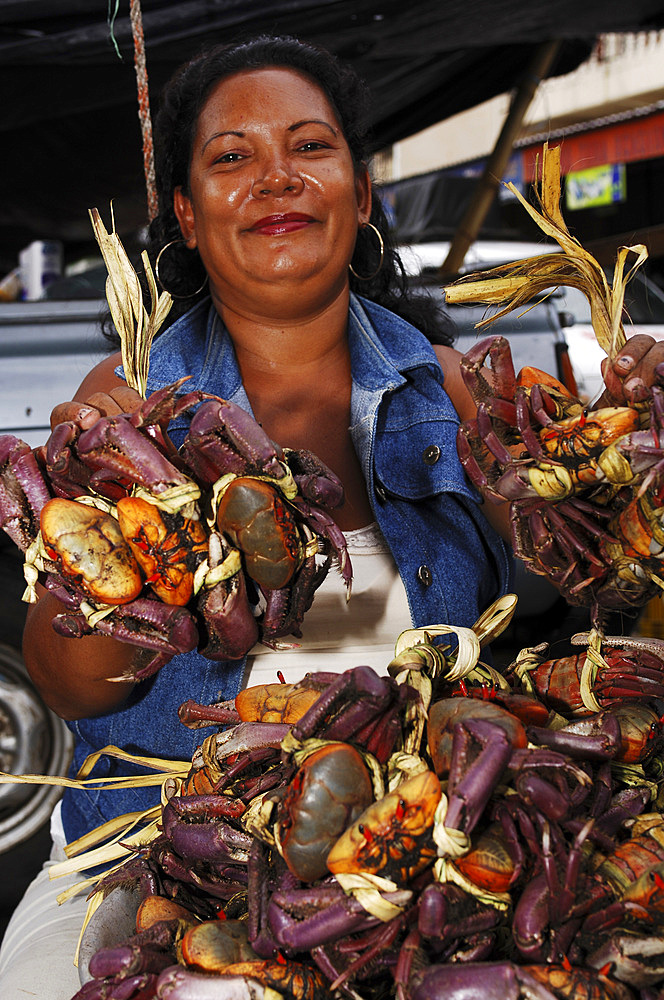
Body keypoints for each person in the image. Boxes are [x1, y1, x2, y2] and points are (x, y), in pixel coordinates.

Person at [1, 33, 663, 1000]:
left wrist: (624, 482)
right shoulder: (129, 406)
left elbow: (588, 595)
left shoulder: (456, 391)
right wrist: (125, 558)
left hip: (429, 837)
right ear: (185, 213)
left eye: (309, 148)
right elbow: (73, 690)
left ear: (358, 187)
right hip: (174, 839)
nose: (277, 179)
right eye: (233, 158)